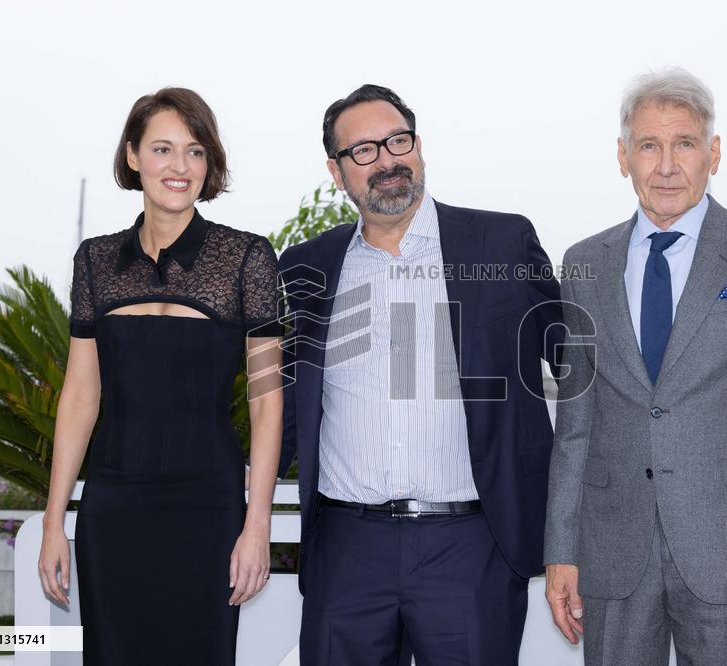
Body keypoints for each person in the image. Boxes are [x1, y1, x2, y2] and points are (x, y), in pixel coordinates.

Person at [544, 68, 727, 665]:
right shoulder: (583, 264)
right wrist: (561, 551)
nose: (667, 166)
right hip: (613, 552)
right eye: (649, 146)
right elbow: (575, 426)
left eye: (684, 143)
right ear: (623, 157)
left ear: (714, 153)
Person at [278, 84, 563, 666]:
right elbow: (282, 404)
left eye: (397, 141)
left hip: (471, 547)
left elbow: (576, 366)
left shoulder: (502, 244)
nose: (386, 160)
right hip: (346, 553)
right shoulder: (306, 266)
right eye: (363, 150)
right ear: (336, 172)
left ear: (419, 146)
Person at [37, 87, 284, 665]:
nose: (180, 166)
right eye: (163, 149)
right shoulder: (95, 261)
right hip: (113, 506)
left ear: (209, 164)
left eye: (195, 151)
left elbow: (267, 398)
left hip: (209, 507)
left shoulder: (246, 258)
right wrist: (53, 521)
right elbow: (80, 395)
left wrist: (257, 524)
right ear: (132, 156)